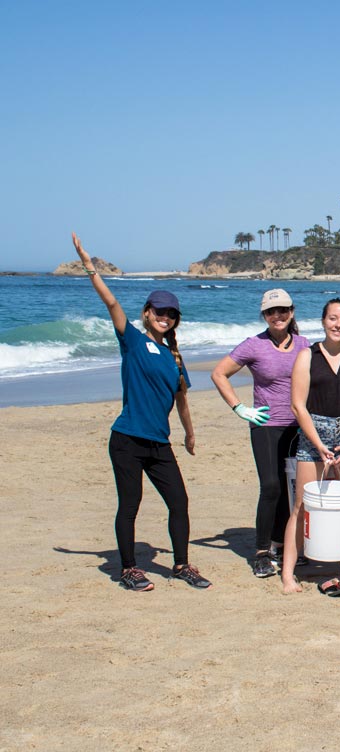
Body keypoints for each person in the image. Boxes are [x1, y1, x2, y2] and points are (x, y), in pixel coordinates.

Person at [71, 233, 210, 591]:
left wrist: (189, 434)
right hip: (128, 439)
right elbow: (112, 303)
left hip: (159, 444)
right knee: (130, 504)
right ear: (147, 313)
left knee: (179, 502)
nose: (165, 317)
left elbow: (181, 400)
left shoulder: (174, 357)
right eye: (159, 311)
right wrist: (90, 267)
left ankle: (181, 565)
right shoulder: (133, 340)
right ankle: (129, 568)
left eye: (171, 314)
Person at [211, 288, 311, 578]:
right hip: (265, 425)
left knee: (291, 489)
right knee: (270, 486)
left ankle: (282, 544)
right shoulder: (253, 345)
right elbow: (219, 374)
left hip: (297, 426)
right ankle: (261, 551)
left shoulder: (304, 345)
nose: (277, 316)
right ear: (264, 315)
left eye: (282, 310)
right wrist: (239, 408)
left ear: (291, 312)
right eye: (270, 311)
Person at [281, 298, 340, 594]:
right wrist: (319, 443)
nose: (338, 325)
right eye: (333, 318)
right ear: (323, 321)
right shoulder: (307, 356)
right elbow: (298, 405)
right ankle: (287, 573)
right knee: (301, 506)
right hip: (314, 436)